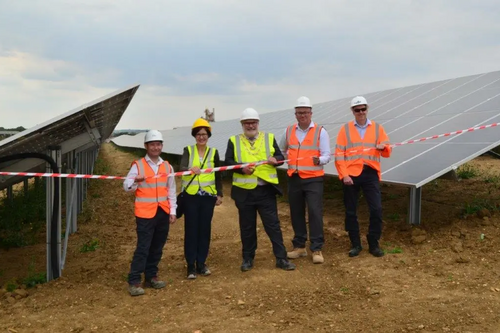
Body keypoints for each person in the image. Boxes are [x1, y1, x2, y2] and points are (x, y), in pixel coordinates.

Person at [225, 108, 296, 272]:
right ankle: (248, 259)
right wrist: (242, 170)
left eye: (253, 122)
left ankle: (281, 259)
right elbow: (227, 162)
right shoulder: (234, 141)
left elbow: (280, 157)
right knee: (247, 228)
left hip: (266, 191)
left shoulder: (268, 138)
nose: (251, 125)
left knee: (273, 226)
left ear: (258, 123)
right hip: (244, 192)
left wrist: (275, 160)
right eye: (247, 123)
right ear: (242, 124)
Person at [334, 96, 392, 257]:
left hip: (370, 172)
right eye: (357, 109)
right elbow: (339, 155)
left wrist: (383, 147)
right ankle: (355, 244)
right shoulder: (345, 130)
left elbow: (388, 151)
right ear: (352, 111)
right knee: (351, 211)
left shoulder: (377, 128)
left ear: (367, 109)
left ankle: (373, 243)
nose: (361, 112)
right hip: (351, 175)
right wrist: (344, 175)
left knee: (376, 209)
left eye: (363, 109)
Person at [123, 130, 177, 296]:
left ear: (161, 146)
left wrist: (172, 210)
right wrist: (135, 181)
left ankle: (151, 276)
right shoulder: (138, 165)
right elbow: (126, 187)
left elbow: (171, 190)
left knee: (157, 247)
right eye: (152, 144)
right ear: (146, 146)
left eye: (158, 144)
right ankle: (134, 280)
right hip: (145, 214)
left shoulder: (167, 166)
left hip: (162, 211)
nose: (155, 147)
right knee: (143, 247)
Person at [280, 96, 331, 264]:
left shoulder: (320, 131)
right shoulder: (288, 131)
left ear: (311, 113)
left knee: (315, 213)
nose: (302, 115)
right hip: (294, 177)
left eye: (305, 112)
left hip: (313, 179)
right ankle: (299, 246)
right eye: (299, 112)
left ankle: (316, 248)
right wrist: (286, 157)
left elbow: (327, 155)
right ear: (295, 114)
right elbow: (282, 150)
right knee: (296, 212)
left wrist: (320, 160)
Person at [179, 118, 223, 279]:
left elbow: (218, 175)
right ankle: (190, 265)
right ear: (194, 135)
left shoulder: (214, 152)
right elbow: (181, 167)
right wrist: (190, 169)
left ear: (208, 135)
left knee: (204, 230)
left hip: (207, 197)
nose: (201, 137)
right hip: (191, 196)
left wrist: (219, 194)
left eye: (204, 134)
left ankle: (201, 263)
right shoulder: (188, 150)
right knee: (191, 230)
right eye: (198, 134)